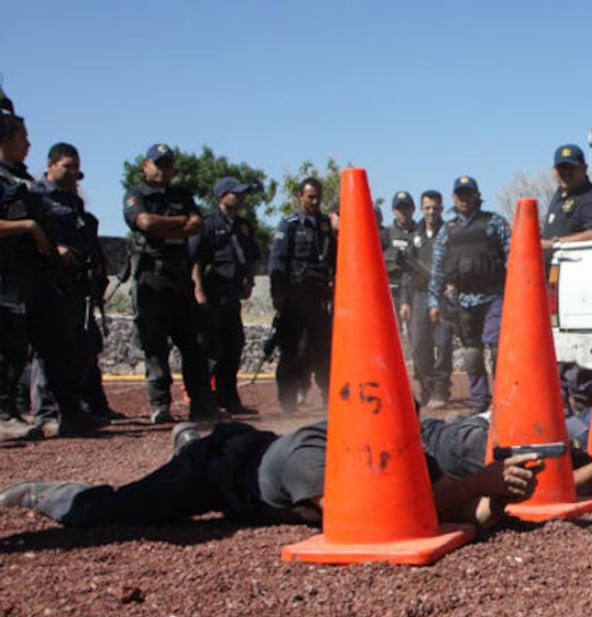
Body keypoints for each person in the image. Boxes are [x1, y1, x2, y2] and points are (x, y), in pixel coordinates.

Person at [0, 417, 540, 531]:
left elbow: (445, 499)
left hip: (250, 452)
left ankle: (195, 432)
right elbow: (362, 523)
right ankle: (53, 496)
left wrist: (499, 494)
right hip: (219, 472)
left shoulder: (400, 447)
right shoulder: (313, 455)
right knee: (116, 515)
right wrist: (483, 485)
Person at [0, 88, 100, 440]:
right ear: (6, 138)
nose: (28, 144)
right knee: (10, 351)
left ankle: (69, 413)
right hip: (9, 278)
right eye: (23, 137)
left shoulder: (24, 180)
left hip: (41, 276)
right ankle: (4, 416)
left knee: (60, 345)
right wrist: (26, 226)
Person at [124, 143, 219, 424]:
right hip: (151, 278)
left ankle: (201, 404)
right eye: (158, 163)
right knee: (155, 345)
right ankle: (160, 405)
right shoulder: (136, 194)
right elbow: (144, 222)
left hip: (180, 278)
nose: (164, 169)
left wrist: (165, 225)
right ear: (146, 165)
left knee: (193, 344)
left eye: (168, 164)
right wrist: (179, 222)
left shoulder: (182, 194)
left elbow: (198, 225)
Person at [29, 142, 120, 434]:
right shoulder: (36, 196)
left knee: (78, 348)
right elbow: (31, 234)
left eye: (77, 168)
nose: (73, 174)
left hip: (77, 284)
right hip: (51, 280)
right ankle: (47, 414)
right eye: (68, 166)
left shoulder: (73, 201)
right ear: (51, 164)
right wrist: (57, 250)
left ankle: (73, 410)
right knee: (49, 350)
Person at [420, 411, 592, 496]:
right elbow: (547, 491)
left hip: (487, 428)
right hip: (467, 439)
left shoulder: (574, 448)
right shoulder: (474, 444)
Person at [428, 176, 510, 413]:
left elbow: (514, 256)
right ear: (454, 198)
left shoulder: (494, 223)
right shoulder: (447, 231)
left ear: (477, 196)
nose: (464, 198)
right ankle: (479, 401)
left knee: (497, 348)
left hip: (494, 296)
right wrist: (434, 302)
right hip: (464, 301)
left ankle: (504, 398)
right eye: (460, 194)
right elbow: (437, 270)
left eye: (468, 193)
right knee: (472, 353)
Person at [189, 177, 261, 414]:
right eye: (235, 194)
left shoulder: (244, 225)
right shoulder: (207, 224)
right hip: (212, 293)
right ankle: (204, 402)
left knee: (233, 346)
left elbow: (252, 257)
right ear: (222, 196)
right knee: (210, 349)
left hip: (232, 295)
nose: (240, 198)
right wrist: (198, 290)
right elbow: (196, 260)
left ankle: (228, 399)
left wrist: (249, 282)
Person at [267, 177, 337, 413]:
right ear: (300, 197)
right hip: (295, 299)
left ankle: (330, 399)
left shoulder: (326, 225)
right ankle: (287, 402)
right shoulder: (290, 225)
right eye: (310, 197)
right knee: (292, 350)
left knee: (324, 350)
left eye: (318, 197)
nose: (315, 201)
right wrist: (278, 294)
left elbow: (334, 258)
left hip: (318, 299)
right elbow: (277, 261)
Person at [399, 190, 453, 408]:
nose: (431, 212)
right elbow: (406, 271)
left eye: (435, 208)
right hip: (419, 295)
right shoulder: (414, 235)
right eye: (427, 207)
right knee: (419, 343)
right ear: (421, 209)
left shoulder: (449, 232)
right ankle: (427, 386)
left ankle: (441, 388)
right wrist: (404, 300)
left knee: (443, 342)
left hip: (442, 295)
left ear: (441, 209)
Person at [540, 144, 592, 268]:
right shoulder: (560, 194)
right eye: (561, 168)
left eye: (571, 167)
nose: (566, 172)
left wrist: (553, 244)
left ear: (584, 169)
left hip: (576, 275)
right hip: (549, 276)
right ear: (554, 170)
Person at [381, 190, 416, 322]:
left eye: (406, 207)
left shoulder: (420, 233)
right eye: (399, 208)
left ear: (412, 209)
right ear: (393, 210)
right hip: (390, 292)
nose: (403, 212)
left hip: (413, 292)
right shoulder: (385, 235)